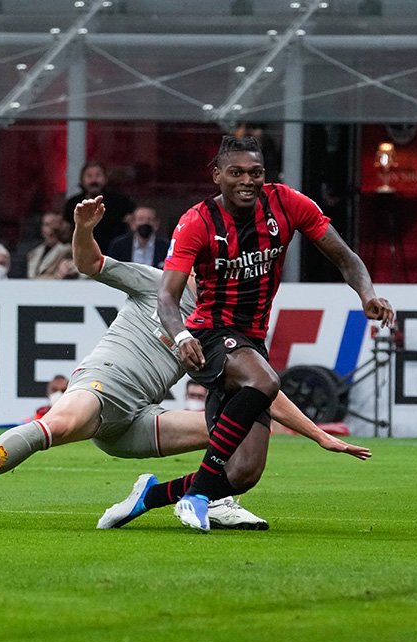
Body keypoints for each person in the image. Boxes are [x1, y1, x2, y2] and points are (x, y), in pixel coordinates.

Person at [0, 196, 372, 532]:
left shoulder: (224, 319)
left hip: (139, 419)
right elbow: (90, 263)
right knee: (57, 426)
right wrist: (83, 228)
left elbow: (265, 388)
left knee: (232, 427)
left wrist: (317, 435)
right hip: (104, 386)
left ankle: (210, 498)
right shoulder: (158, 283)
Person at [157, 134, 395, 532]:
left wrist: (367, 294)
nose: (247, 180)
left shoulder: (287, 203)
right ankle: (196, 497)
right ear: (217, 175)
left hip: (252, 340)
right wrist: (182, 338)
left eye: (256, 172)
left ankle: (149, 495)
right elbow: (166, 297)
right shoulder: (196, 222)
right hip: (208, 336)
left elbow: (345, 257)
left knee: (243, 472)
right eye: (236, 173)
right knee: (265, 379)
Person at [63, 161, 136, 254]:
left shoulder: (121, 202)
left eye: (98, 176)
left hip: (113, 255)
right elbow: (66, 232)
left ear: (105, 179)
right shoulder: (73, 204)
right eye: (89, 176)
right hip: (82, 254)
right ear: (82, 180)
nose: (94, 180)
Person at [27, 212, 73, 279]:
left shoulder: (67, 251)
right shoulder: (34, 253)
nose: (51, 229)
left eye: (53, 224)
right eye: (47, 224)